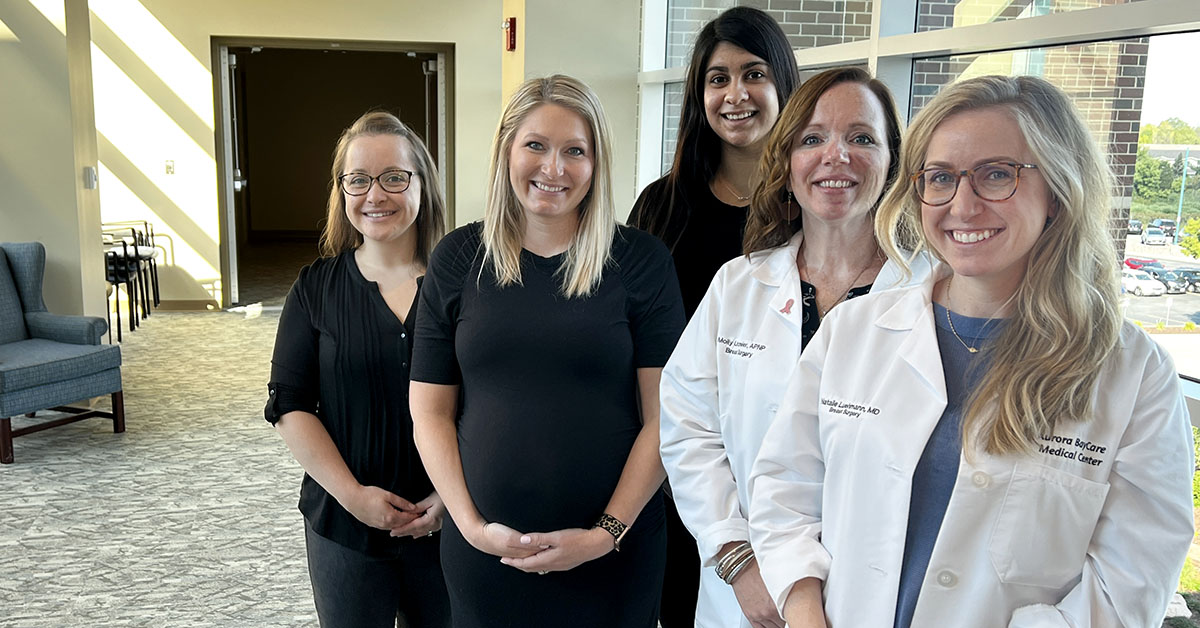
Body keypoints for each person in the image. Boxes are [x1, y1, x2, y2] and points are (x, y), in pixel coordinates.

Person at [749, 75, 1195, 628]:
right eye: (939, 178)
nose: (962, 205)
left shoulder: (1134, 375)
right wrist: (803, 607)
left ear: (1057, 191)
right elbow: (784, 489)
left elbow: (1129, 586)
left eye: (996, 175)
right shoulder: (853, 332)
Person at [409, 75, 685, 628]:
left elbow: (666, 418)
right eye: (535, 145)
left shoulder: (640, 261)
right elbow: (429, 411)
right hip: (486, 554)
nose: (553, 169)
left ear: (596, 162)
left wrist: (605, 534)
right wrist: (469, 525)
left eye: (574, 151)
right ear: (506, 150)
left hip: (613, 555)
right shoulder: (458, 257)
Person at [659, 67, 931, 628]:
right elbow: (687, 428)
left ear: (892, 165)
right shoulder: (739, 285)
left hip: (879, 596)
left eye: (861, 137)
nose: (837, 155)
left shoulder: (932, 295)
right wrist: (738, 560)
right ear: (786, 164)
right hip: (745, 596)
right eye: (813, 138)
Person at [628, 9, 799, 624]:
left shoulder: (816, 208)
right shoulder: (662, 205)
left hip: (787, 459)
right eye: (717, 78)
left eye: (754, 74)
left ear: (783, 84)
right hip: (682, 460)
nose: (735, 95)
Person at [264, 111, 449, 628]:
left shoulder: (462, 286)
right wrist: (353, 497)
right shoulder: (314, 289)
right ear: (342, 190)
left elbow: (490, 403)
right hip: (343, 523)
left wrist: (451, 498)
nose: (375, 195)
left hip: (451, 519)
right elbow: (289, 404)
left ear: (422, 184)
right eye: (358, 179)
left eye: (394, 177)